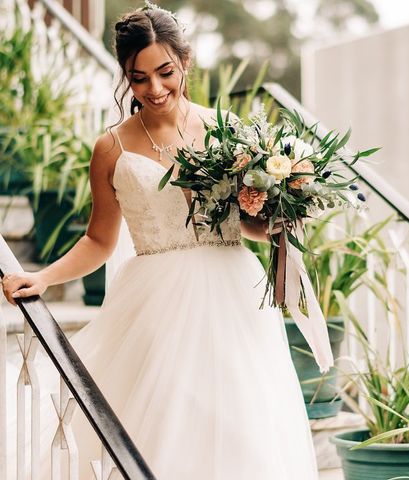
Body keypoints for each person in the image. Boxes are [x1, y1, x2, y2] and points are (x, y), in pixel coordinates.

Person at [1, 4, 319, 479]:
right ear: (125, 76)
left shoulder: (227, 131)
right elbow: (99, 241)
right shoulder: (111, 147)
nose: (155, 89)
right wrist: (41, 277)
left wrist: (279, 214)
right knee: (167, 426)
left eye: (165, 72)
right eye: (139, 77)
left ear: (185, 62)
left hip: (234, 297)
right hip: (157, 304)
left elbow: (246, 224)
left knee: (243, 427)